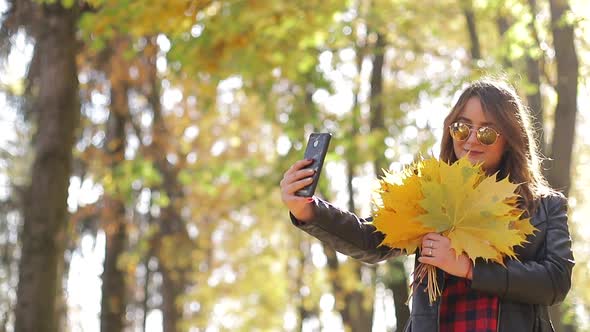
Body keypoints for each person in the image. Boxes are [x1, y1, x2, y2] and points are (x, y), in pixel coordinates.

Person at [279, 79, 575, 332]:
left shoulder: (545, 208)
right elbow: (372, 238)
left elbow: (556, 281)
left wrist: (469, 268)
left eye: (487, 132)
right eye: (462, 128)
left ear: (510, 139)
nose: (472, 140)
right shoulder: (429, 195)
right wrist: (309, 209)